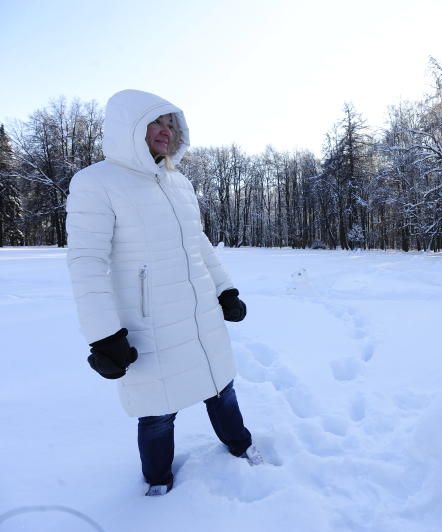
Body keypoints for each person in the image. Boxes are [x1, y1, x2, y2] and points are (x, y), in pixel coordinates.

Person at [66, 89, 262, 497]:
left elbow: (199, 242)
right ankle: (157, 483)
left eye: (171, 124)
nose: (165, 132)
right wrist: (104, 335)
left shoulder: (179, 182)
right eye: (156, 122)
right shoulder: (96, 182)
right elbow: (86, 262)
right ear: (129, 128)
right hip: (148, 322)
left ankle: (240, 446)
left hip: (199, 312)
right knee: (157, 411)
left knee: (220, 387)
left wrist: (225, 290)